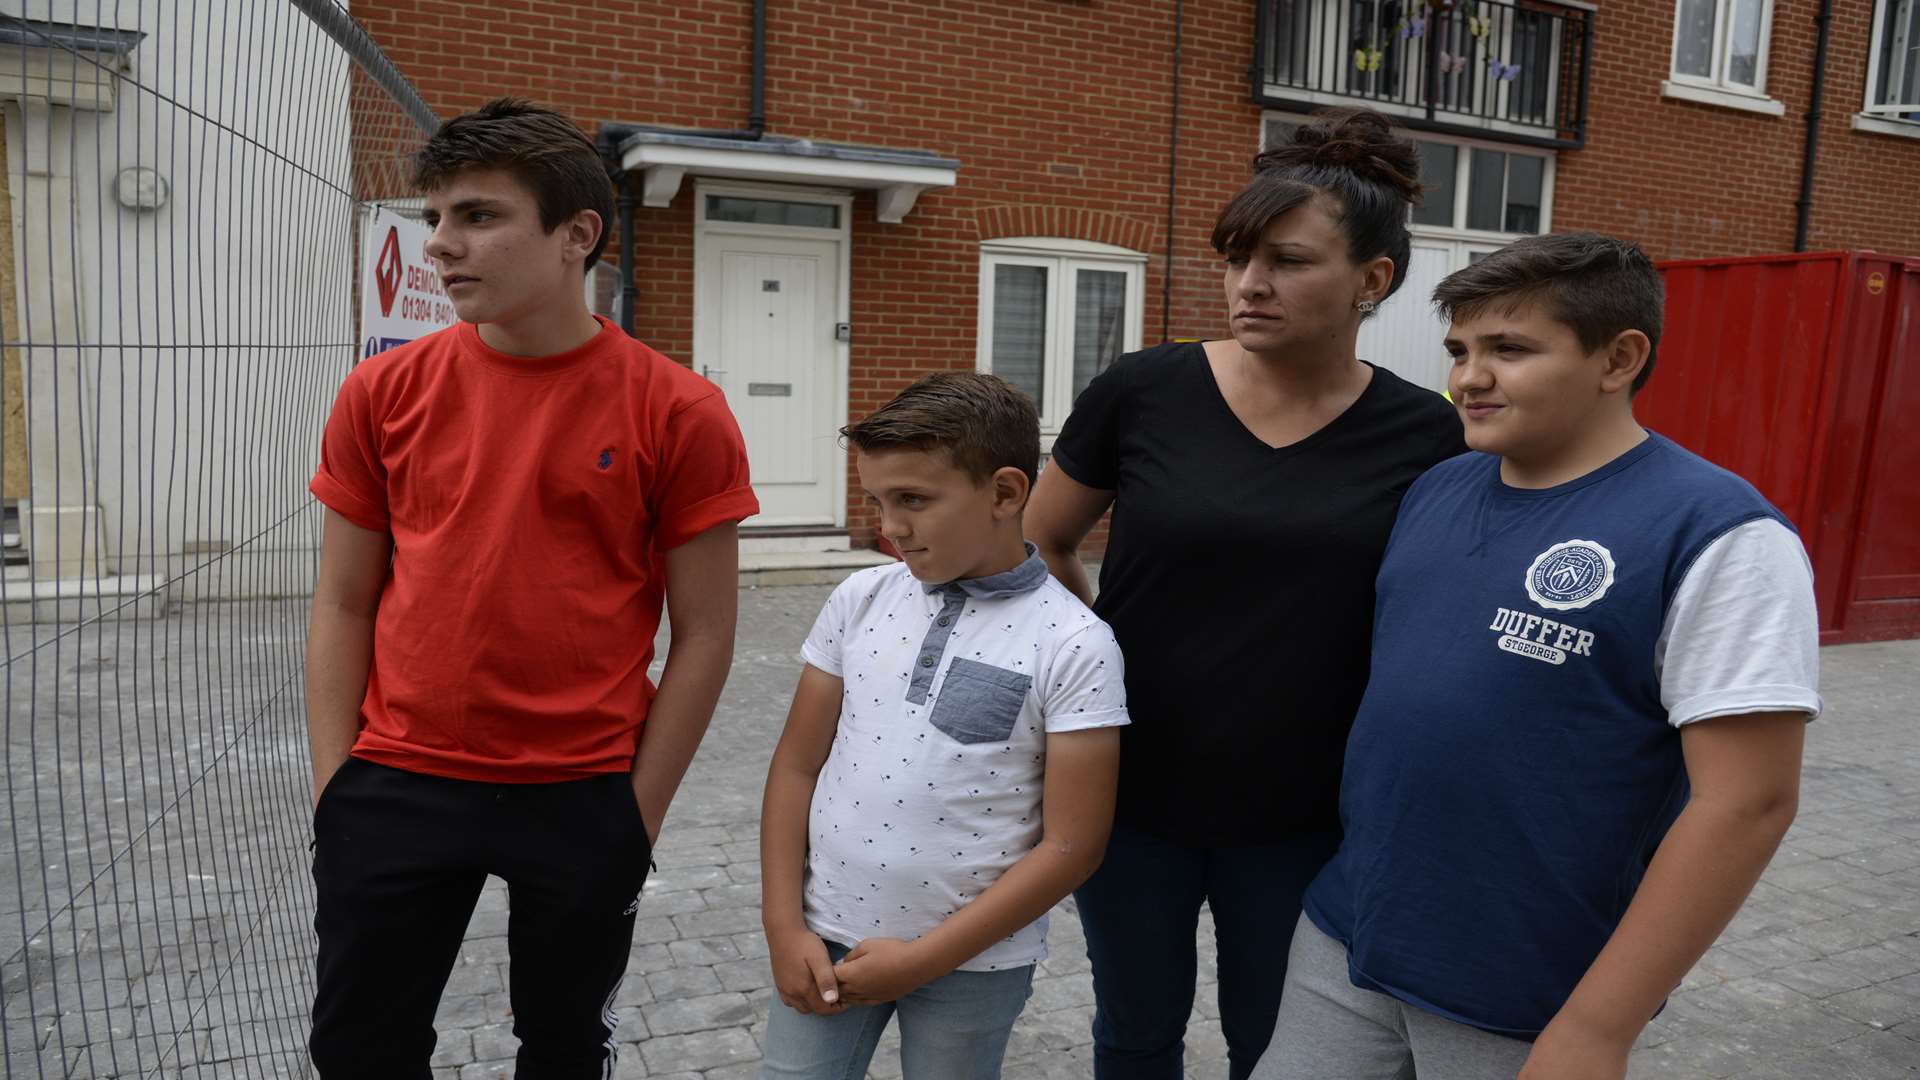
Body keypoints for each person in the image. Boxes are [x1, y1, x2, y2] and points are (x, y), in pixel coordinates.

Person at [1254, 232, 1820, 1080]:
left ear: (1619, 358)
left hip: (1527, 986)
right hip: (1349, 935)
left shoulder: (1718, 535)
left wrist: (1598, 1027)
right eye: (1460, 350)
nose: (1468, 377)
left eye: (1508, 349)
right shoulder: (1439, 488)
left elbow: (1748, 804)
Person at [305, 98, 759, 1077]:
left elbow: (709, 634)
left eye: (476, 216)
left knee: (562, 1046)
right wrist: (337, 786)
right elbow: (342, 600)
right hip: (397, 782)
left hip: (581, 791)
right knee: (358, 1048)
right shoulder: (379, 393)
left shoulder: (679, 411)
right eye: (434, 218)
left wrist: (638, 814)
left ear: (576, 236)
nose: (439, 245)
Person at [1023, 108, 1467, 1078]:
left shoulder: (1426, 436)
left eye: (1287, 260)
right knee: (1134, 1033)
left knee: (1276, 1048)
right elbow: (1043, 541)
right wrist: (1102, 660)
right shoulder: (1143, 392)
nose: (1248, 284)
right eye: (1234, 257)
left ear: (1373, 281)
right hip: (1131, 794)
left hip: (1306, 812)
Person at [757, 372, 1128, 1079]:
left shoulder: (1073, 642)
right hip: (825, 933)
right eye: (878, 501)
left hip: (975, 964)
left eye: (914, 500)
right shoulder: (859, 599)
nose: (890, 526)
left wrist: (924, 960)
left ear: (1005, 493)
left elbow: (1073, 845)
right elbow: (796, 766)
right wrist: (783, 924)